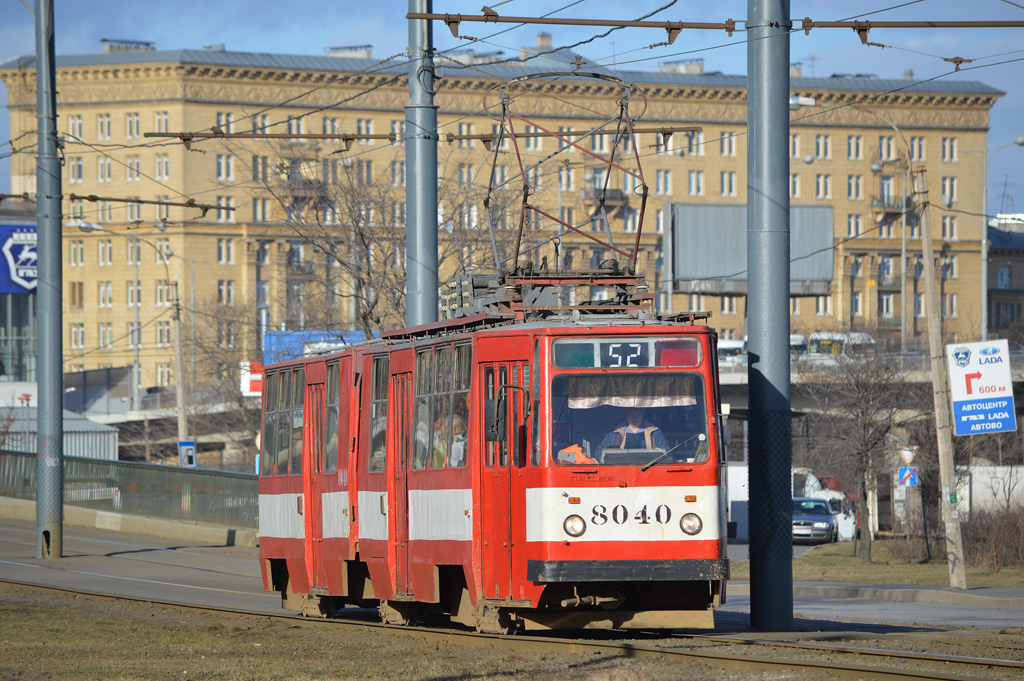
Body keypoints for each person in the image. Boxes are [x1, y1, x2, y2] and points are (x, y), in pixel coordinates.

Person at [597, 407, 668, 456]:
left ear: (643, 414)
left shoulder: (654, 432)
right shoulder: (616, 433)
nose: (635, 417)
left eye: (638, 414)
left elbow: (667, 452)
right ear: (626, 415)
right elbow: (599, 451)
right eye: (631, 415)